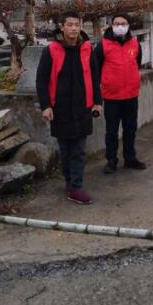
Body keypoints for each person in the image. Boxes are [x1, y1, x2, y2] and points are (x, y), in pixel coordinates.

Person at [36, 11, 102, 204]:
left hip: (83, 107)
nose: (74, 28)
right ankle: (69, 183)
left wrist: (98, 102)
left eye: (77, 25)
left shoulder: (87, 49)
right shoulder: (51, 50)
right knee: (65, 150)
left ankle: (76, 186)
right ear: (62, 27)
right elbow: (41, 80)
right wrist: (46, 105)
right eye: (70, 24)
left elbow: (95, 77)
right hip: (60, 109)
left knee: (79, 151)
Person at [93, 13, 146, 174]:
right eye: (117, 23)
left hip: (131, 95)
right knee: (111, 131)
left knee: (130, 128)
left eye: (123, 23)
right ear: (112, 25)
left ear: (128, 26)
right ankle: (111, 160)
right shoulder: (103, 45)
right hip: (111, 96)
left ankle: (130, 158)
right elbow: (96, 68)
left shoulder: (135, 44)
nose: (120, 26)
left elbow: (137, 63)